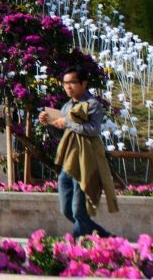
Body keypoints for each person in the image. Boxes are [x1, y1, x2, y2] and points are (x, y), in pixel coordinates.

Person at [40, 67, 117, 238]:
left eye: (72, 82)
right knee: (67, 209)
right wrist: (50, 123)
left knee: (78, 211)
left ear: (84, 83)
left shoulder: (93, 105)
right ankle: (106, 237)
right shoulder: (67, 106)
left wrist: (66, 122)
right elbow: (62, 135)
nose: (68, 87)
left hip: (85, 163)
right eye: (65, 83)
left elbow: (92, 130)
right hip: (69, 162)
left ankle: (77, 248)